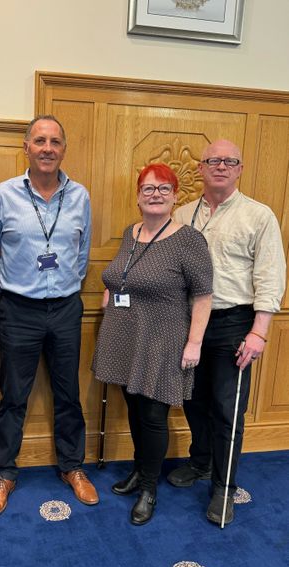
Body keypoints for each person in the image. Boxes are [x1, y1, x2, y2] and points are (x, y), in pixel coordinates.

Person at [0, 115, 98, 516]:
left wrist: (65, 284)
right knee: (13, 396)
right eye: (40, 140)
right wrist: (9, 290)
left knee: (68, 394)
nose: (48, 148)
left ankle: (72, 467)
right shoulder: (2, 195)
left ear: (64, 149)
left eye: (56, 142)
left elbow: (81, 256)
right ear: (26, 146)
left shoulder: (80, 196)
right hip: (19, 310)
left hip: (65, 308)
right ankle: (5, 473)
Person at [167, 140, 286, 525]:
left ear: (239, 169)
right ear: (200, 168)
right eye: (213, 161)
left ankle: (224, 487)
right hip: (189, 324)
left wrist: (259, 333)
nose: (221, 166)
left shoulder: (259, 215)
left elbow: (270, 276)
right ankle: (200, 462)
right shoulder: (182, 214)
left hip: (235, 323)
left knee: (226, 409)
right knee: (193, 402)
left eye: (229, 161)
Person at [92, 163, 213, 525]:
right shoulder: (131, 233)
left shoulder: (188, 239)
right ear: (138, 196)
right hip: (126, 336)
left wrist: (194, 344)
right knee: (132, 407)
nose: (155, 194)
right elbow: (121, 274)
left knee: (153, 415)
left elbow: (204, 295)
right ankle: (139, 470)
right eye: (148, 188)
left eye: (163, 188)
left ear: (176, 196)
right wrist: (108, 293)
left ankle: (149, 488)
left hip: (164, 339)